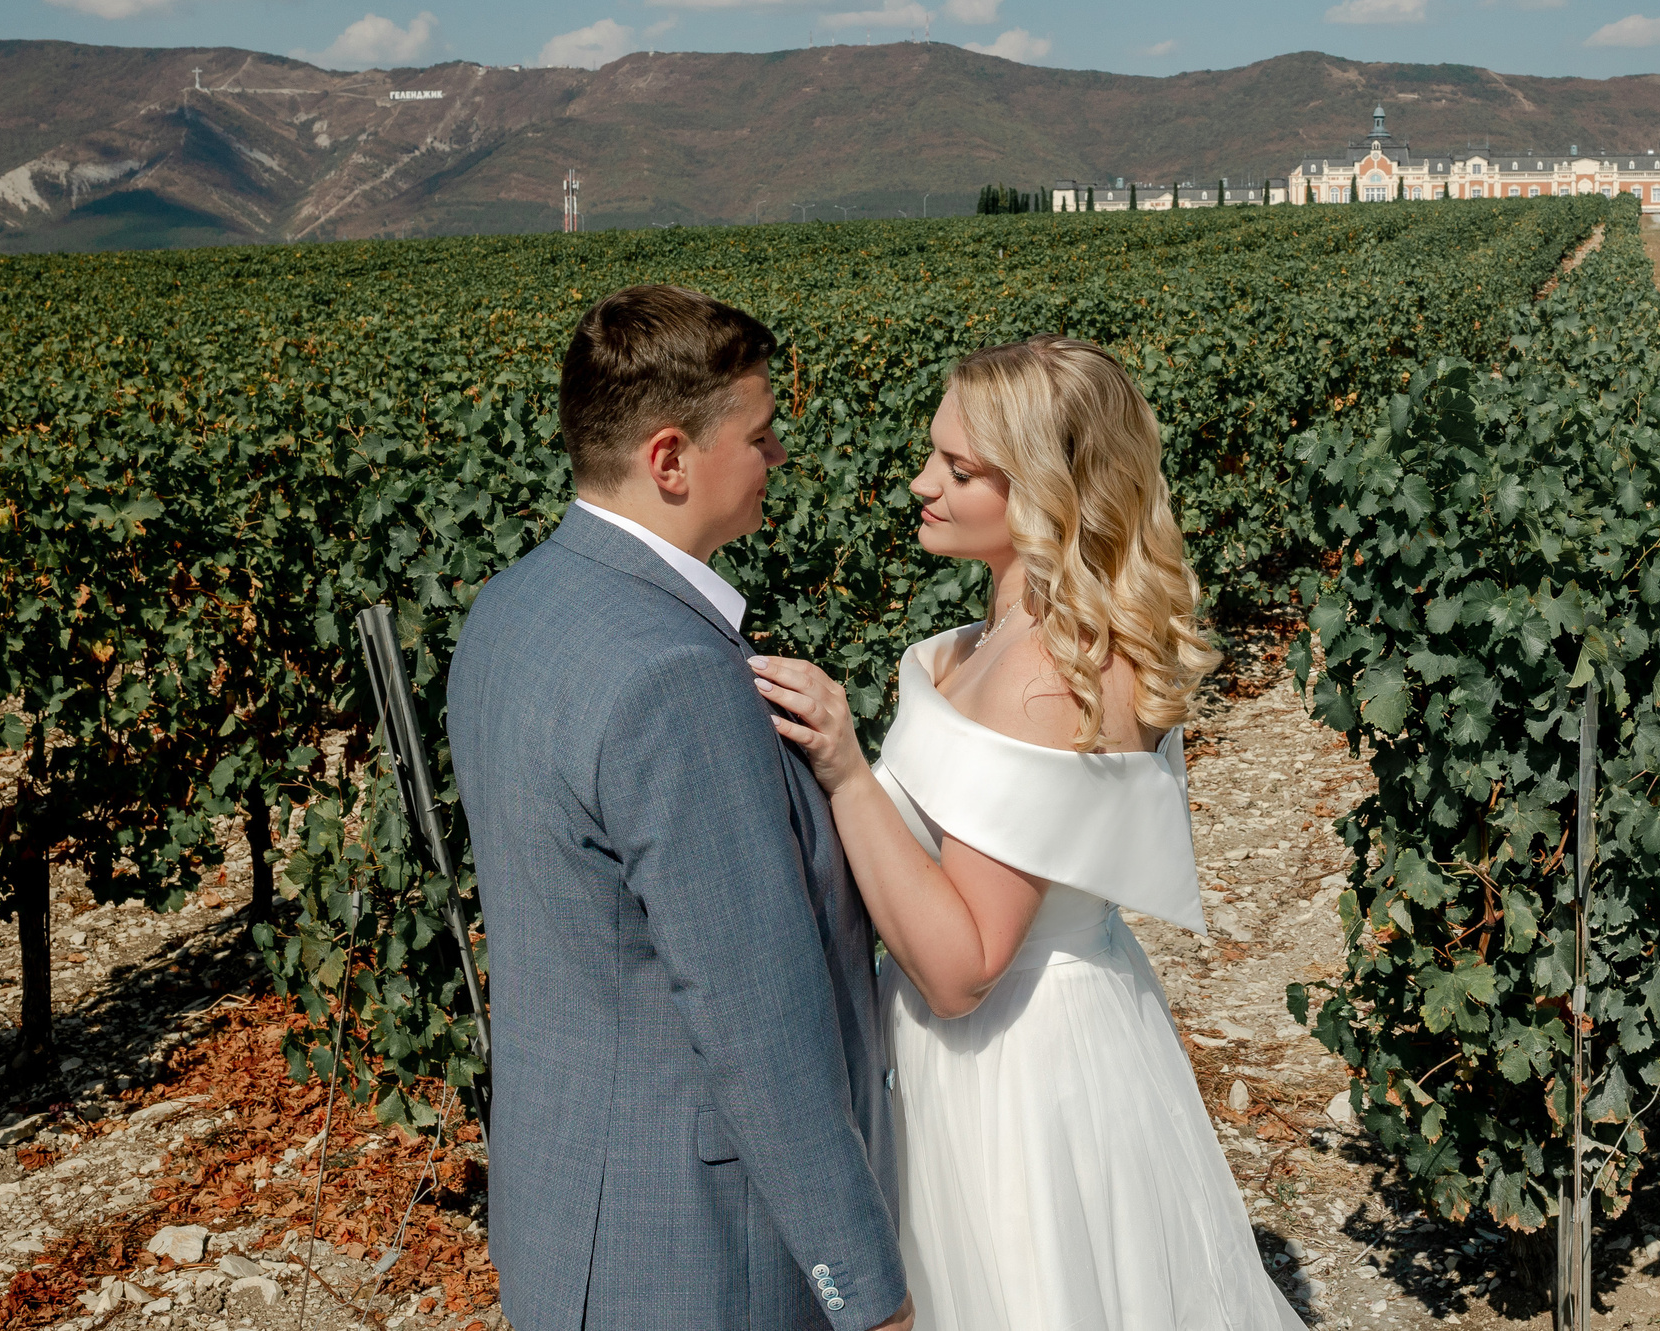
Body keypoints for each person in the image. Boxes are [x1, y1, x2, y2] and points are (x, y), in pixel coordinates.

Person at [750, 335, 1304, 1331]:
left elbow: (965, 967)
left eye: (958, 470)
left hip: (1011, 1078)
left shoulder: (1044, 677)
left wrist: (841, 766)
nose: (921, 483)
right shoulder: (997, 644)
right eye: (933, 454)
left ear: (1045, 490)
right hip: (1030, 1040)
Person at [449, 284, 912, 1331]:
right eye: (758, 434)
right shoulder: (675, 677)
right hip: (699, 1247)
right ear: (669, 460)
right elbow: (755, 1021)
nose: (779, 456)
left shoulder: (512, 605)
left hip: (566, 1202)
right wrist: (864, 1288)